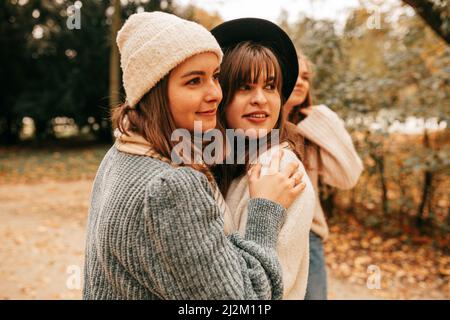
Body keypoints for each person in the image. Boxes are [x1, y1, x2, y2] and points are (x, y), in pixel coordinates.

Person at [83, 11, 305, 300]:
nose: (215, 93)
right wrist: (264, 210)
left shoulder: (120, 154)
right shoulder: (171, 187)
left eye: (215, 76)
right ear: (155, 91)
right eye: (193, 81)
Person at [211, 18, 315, 299]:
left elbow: (261, 291)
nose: (261, 99)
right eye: (245, 87)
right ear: (221, 95)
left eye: (270, 87)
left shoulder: (279, 170)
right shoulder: (220, 161)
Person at [284, 51, 364, 300]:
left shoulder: (311, 130)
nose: (300, 82)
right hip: (267, 232)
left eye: (306, 77)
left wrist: (323, 120)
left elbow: (348, 176)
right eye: (294, 75)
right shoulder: (252, 127)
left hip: (309, 236)